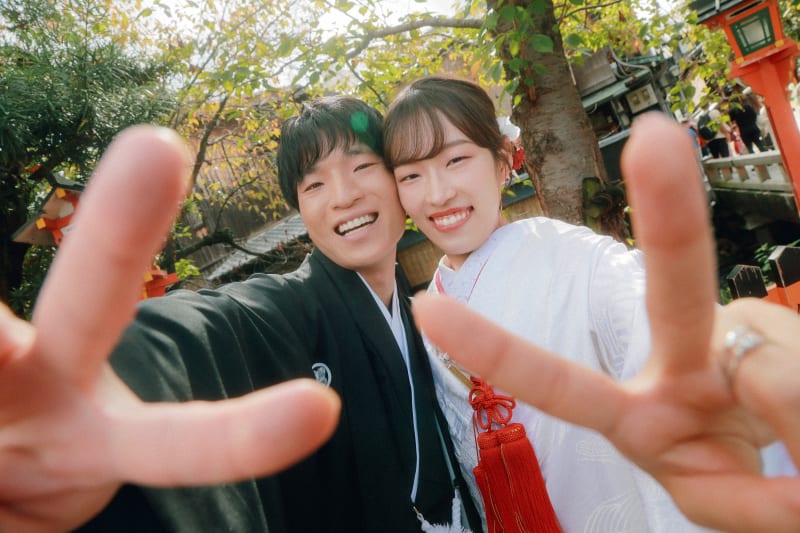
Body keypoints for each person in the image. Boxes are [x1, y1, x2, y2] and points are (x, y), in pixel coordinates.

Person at [0, 96, 481, 532]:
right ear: (300, 209)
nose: (342, 195)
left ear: (398, 178)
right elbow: (202, 327)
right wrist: (111, 366)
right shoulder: (285, 310)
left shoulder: (422, 311)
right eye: (314, 183)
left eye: (362, 166)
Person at [384, 75, 792, 532]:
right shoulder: (427, 314)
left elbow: (651, 324)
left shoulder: (580, 261)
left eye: (456, 160)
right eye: (411, 175)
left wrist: (718, 363)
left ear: (502, 160)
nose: (438, 194)